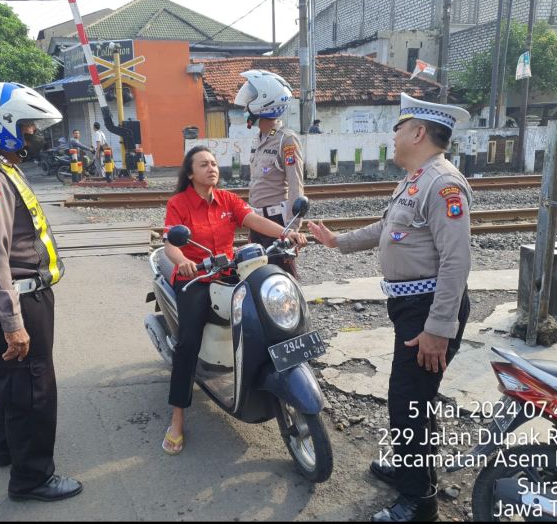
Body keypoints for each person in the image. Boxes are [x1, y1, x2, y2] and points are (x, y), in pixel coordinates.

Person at [308, 93, 472, 522]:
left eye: (398, 128)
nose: (393, 136)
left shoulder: (443, 184)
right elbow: (387, 226)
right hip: (412, 307)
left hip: (428, 311)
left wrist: (439, 328)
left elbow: (456, 261)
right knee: (415, 399)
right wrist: (338, 242)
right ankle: (411, 470)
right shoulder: (416, 180)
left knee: (407, 403)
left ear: (418, 133)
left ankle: (419, 502)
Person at [0, 81, 82, 502]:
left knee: (13, 380)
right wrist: (12, 322)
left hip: (15, 296)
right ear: (2, 126)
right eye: (27, 127)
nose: (33, 134)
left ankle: (8, 448)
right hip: (16, 298)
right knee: (33, 388)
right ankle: (32, 479)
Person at [161, 145, 307, 455]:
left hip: (228, 271)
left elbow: (253, 220)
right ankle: (177, 418)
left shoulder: (227, 199)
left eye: (214, 163)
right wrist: (182, 261)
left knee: (265, 311)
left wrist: (285, 234)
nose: (212, 168)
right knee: (187, 343)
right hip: (196, 278)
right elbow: (170, 243)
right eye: (204, 164)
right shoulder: (178, 203)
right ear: (190, 173)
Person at [234, 69, 304, 278]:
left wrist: (292, 229)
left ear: (265, 101)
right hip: (257, 222)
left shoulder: (286, 140)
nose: (246, 104)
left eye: (252, 97)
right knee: (256, 277)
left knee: (282, 278)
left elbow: (296, 185)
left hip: (277, 223)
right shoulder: (259, 138)